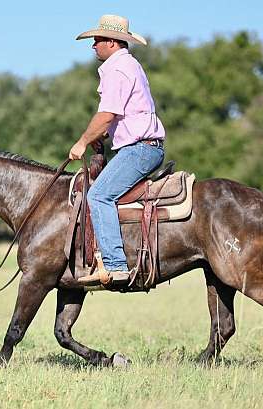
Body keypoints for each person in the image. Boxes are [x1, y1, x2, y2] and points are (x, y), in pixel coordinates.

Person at [69, 15, 166, 285]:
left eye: (98, 40)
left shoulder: (118, 68)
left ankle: (116, 265)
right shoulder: (127, 65)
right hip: (140, 147)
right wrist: (102, 136)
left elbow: (107, 114)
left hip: (139, 150)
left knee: (99, 196)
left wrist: (82, 142)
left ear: (112, 42)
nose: (94, 46)